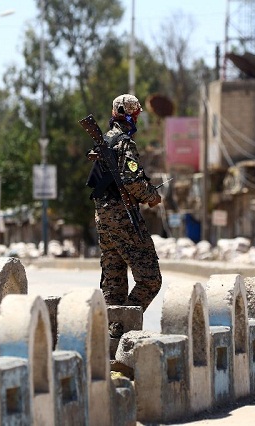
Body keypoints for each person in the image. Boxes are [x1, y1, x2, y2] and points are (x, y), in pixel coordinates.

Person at [86, 94, 162, 337]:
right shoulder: (124, 142)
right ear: (132, 115)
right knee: (150, 279)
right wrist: (151, 196)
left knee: (114, 280)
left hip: (103, 217)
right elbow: (132, 180)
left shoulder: (105, 141)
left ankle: (110, 335)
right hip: (122, 216)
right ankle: (122, 327)